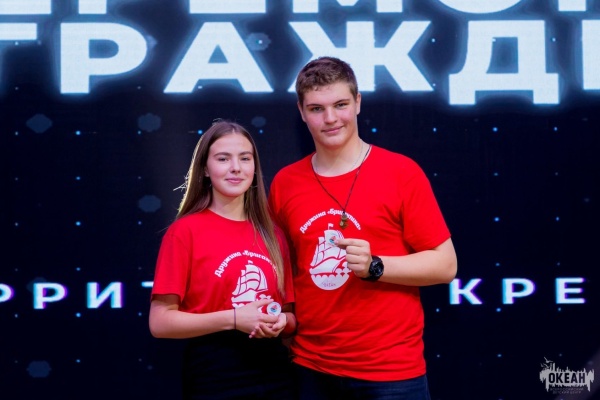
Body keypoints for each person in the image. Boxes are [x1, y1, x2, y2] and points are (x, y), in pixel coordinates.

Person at [268, 57, 457, 399]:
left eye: (340, 104)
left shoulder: (401, 173)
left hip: (391, 372)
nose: (330, 118)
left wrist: (376, 266)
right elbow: (281, 271)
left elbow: (445, 265)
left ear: (358, 102)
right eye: (316, 108)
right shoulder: (285, 183)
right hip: (311, 367)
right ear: (301, 112)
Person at [149, 120, 297, 400]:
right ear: (205, 169)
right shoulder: (184, 232)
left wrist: (280, 322)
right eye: (223, 158)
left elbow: (290, 316)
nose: (236, 168)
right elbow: (160, 323)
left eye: (245, 158)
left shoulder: (273, 235)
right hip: (214, 375)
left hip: (275, 374)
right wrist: (234, 319)